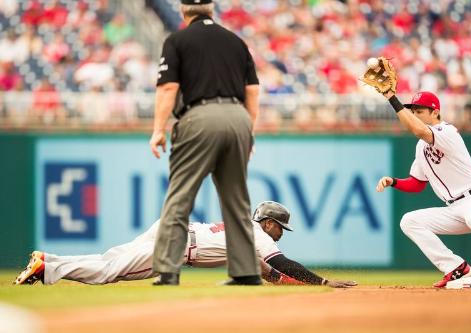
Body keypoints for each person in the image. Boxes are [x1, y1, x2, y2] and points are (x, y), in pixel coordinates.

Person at [149, 0, 261, 286]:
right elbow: (252, 92)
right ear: (211, 9)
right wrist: (249, 131)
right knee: (237, 200)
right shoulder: (237, 42)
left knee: (180, 196)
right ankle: (246, 272)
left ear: (184, 11)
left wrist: (158, 130)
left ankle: (168, 271)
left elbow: (168, 88)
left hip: (199, 116)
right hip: (238, 118)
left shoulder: (177, 40)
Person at [14, 201, 357, 289]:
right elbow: (281, 263)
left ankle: (50, 259)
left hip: (171, 229)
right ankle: (49, 268)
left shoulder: (247, 231)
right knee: (108, 273)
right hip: (176, 245)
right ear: (269, 223)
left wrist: (296, 285)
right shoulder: (258, 235)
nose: (280, 233)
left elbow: (270, 273)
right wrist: (323, 282)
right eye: (280, 227)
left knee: (110, 260)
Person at [375, 86, 471, 287]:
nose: (415, 115)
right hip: (455, 208)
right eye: (413, 111)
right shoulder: (421, 146)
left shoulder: (446, 131)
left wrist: (391, 97)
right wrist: (394, 182)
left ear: (435, 112)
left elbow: (418, 129)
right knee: (410, 221)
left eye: (420, 111)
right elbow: (416, 184)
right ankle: (456, 267)